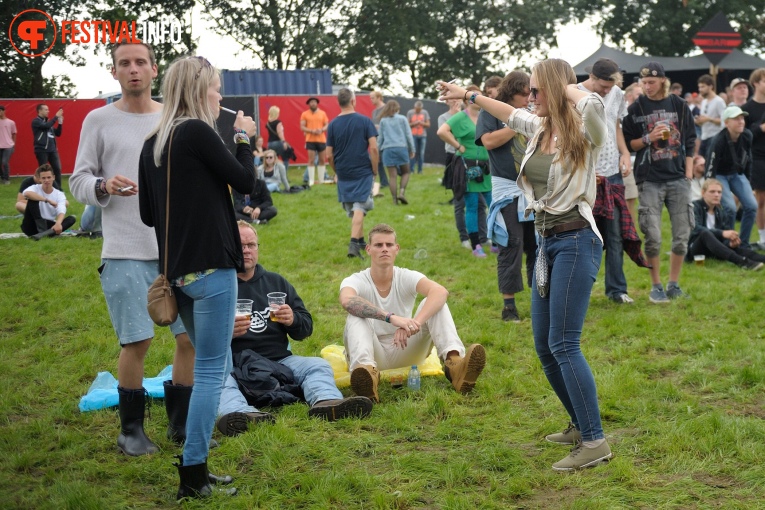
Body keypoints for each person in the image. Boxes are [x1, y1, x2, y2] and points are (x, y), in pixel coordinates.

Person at [438, 57, 614, 471]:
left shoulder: (584, 129)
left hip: (575, 240)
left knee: (564, 344)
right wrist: (469, 95)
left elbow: (592, 105)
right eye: (530, 91)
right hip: (547, 241)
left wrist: (562, 84)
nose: (529, 97)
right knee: (544, 345)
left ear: (555, 90)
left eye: (537, 90)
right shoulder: (540, 127)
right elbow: (508, 113)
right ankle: (579, 422)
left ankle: (595, 442)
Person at [138, 55, 256, 500]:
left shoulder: (154, 141)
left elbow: (150, 215)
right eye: (217, 89)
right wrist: (242, 134)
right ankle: (194, 474)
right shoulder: (198, 131)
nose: (221, 97)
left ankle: (193, 464)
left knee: (204, 365)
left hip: (177, 273)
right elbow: (244, 180)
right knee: (211, 371)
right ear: (198, 89)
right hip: (212, 268)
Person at [70, 42, 195, 459]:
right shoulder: (98, 119)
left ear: (154, 69)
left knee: (189, 340)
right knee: (137, 343)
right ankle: (132, 432)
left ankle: (180, 427)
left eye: (141, 62)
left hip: (177, 252)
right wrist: (103, 186)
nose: (134, 69)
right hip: (124, 249)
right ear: (114, 72)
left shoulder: (173, 117)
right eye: (125, 63)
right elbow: (78, 181)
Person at [216, 220, 373, 436]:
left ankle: (327, 403)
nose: (246, 251)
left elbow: (305, 328)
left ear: (258, 248)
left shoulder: (276, 283)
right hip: (233, 362)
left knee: (317, 365)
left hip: (279, 360)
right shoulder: (218, 286)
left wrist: (292, 320)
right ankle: (241, 415)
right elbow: (196, 336)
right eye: (240, 245)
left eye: (251, 245)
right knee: (217, 378)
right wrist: (224, 333)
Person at [340, 223, 486, 402]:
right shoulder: (356, 279)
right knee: (356, 314)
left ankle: (455, 366)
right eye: (379, 245)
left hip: (406, 347)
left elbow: (440, 291)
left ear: (397, 249)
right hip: (371, 354)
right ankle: (366, 380)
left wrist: (413, 323)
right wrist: (392, 318)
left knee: (434, 303)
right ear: (369, 249)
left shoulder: (406, 276)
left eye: (389, 245)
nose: (384, 249)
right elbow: (347, 300)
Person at [622, 61, 696, 303]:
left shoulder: (679, 105)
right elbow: (629, 144)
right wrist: (648, 137)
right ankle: (656, 286)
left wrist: (688, 170)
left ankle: (674, 283)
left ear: (663, 80)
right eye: (643, 82)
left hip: (677, 177)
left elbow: (691, 138)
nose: (647, 86)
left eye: (651, 82)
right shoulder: (636, 108)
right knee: (652, 235)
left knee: (682, 233)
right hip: (649, 179)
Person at [475, 70, 537, 321]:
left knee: (537, 247)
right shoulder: (491, 111)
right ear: (512, 91)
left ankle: (540, 301)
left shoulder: (534, 111)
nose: (528, 99)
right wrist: (517, 122)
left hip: (534, 189)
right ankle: (509, 306)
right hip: (507, 189)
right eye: (524, 94)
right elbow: (488, 142)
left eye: (531, 94)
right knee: (511, 244)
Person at [578, 59, 636, 304]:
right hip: (584, 175)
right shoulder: (575, 94)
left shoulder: (618, 94)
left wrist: (624, 153)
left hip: (613, 173)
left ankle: (616, 290)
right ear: (592, 76)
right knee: (584, 235)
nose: (607, 90)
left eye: (611, 86)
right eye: (603, 85)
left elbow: (616, 125)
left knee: (615, 235)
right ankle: (580, 288)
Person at [437, 84, 492, 258]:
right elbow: (442, 131)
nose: (478, 98)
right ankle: (476, 245)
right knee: (472, 206)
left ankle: (497, 241)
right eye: (474, 95)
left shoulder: (487, 116)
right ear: (466, 99)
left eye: (480, 95)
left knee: (493, 204)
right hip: (468, 168)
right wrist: (457, 145)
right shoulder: (460, 117)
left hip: (486, 168)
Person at [326, 88, 379, 260]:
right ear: (353, 101)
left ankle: (362, 241)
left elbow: (328, 155)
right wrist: (375, 169)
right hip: (363, 170)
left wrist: (337, 171)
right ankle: (353, 243)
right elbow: (374, 148)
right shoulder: (365, 121)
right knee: (360, 207)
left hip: (343, 171)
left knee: (356, 207)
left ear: (339, 103)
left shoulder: (333, 124)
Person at [705, 106, 756, 246]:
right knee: (730, 208)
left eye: (742, 118)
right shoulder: (718, 141)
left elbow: (748, 160)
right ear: (726, 123)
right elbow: (710, 167)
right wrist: (711, 188)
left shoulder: (747, 135)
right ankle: (728, 243)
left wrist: (749, 184)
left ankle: (743, 243)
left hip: (736, 174)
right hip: (719, 176)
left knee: (752, 206)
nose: (741, 122)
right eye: (736, 119)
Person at [688, 179, 765, 270]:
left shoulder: (720, 212)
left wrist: (730, 243)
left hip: (715, 249)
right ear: (703, 193)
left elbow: (724, 238)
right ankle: (742, 262)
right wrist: (722, 233)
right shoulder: (694, 207)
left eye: (719, 192)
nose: (716, 195)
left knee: (740, 250)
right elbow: (695, 228)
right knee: (705, 234)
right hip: (695, 249)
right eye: (712, 192)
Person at [741, 68, 765, 249]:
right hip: (757, 157)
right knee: (761, 198)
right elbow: (743, 135)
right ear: (756, 83)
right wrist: (760, 129)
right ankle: (763, 238)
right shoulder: (746, 109)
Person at [20, 163, 76, 240]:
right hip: (32, 225)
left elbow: (61, 209)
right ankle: (45, 233)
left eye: (49, 177)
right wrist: (47, 200)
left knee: (71, 219)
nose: (46, 180)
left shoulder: (59, 194)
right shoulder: (35, 188)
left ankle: (43, 234)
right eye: (43, 178)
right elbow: (27, 193)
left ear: (53, 177)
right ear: (39, 179)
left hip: (48, 224)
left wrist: (58, 223)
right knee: (33, 199)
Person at [377, 100, 414, 204]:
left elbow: (380, 138)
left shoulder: (383, 121)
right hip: (401, 148)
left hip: (387, 150)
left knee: (392, 176)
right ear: (397, 108)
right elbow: (408, 135)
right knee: (406, 172)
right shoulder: (403, 119)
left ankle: (394, 200)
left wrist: (377, 151)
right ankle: (401, 193)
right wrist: (412, 149)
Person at [31, 103, 64, 188]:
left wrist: (60, 123)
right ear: (40, 111)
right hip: (42, 149)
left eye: (48, 109)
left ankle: (58, 189)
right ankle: (42, 187)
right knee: (43, 170)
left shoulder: (49, 122)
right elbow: (46, 126)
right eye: (46, 109)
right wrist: (56, 117)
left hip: (52, 150)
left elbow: (58, 133)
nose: (48, 111)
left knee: (57, 169)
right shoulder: (36, 121)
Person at [301, 97, 330, 186]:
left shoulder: (322, 113)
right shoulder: (304, 114)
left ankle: (321, 180)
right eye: (311, 102)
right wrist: (311, 131)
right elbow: (302, 126)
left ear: (317, 103)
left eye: (314, 102)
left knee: (322, 160)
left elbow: (326, 125)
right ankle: (311, 180)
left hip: (321, 139)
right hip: (310, 139)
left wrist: (321, 130)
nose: (313, 104)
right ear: (309, 104)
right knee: (311, 160)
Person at [695, 74, 726, 158]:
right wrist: (699, 121)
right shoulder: (704, 101)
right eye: (699, 87)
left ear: (711, 86)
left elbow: (725, 121)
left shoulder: (719, 101)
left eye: (702, 87)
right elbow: (704, 120)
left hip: (715, 137)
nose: (700, 89)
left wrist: (709, 119)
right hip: (704, 137)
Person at [369, 90, 389, 191]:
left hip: (387, 139)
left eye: (372, 97)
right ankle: (384, 182)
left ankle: (401, 172)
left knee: (383, 160)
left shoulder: (386, 109)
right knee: (377, 160)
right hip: (377, 139)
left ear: (379, 98)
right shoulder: (373, 112)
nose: (371, 100)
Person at [265, 106, 291, 173]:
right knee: (285, 158)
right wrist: (284, 142)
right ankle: (284, 175)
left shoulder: (268, 123)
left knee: (272, 159)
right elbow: (280, 133)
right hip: (278, 142)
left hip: (270, 143)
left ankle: (272, 174)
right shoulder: (278, 122)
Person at [407, 101, 430, 174]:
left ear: (421, 108)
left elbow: (428, 124)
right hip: (413, 135)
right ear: (414, 107)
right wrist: (414, 123)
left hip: (423, 136)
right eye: (417, 109)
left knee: (421, 153)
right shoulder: (410, 112)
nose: (418, 111)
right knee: (413, 152)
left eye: (419, 109)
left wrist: (421, 123)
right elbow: (407, 124)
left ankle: (420, 170)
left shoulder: (425, 113)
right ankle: (411, 170)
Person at [0, 105, 17, 185]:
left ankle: (6, 179)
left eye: (0, 110)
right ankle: (2, 177)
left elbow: (14, 134)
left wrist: (13, 144)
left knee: (4, 162)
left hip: (8, 146)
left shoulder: (11, 122)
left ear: (4, 111)